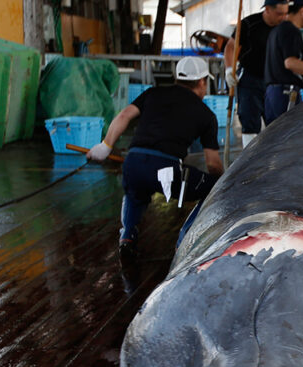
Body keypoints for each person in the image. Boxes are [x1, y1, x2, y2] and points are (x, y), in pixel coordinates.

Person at [87, 56, 224, 257]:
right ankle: (185, 240)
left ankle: (127, 236)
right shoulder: (206, 114)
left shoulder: (153, 93)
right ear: (202, 82)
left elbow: (124, 115)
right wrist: (223, 181)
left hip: (133, 162)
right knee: (213, 188)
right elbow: (213, 164)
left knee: (135, 194)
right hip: (166, 170)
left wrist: (105, 146)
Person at [224, 0, 288, 147]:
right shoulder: (248, 24)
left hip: (275, 80)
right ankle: (250, 161)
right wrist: (229, 70)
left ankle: (277, 161)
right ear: (267, 9)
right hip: (250, 79)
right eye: (279, 14)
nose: (283, 17)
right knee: (249, 122)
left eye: (286, 13)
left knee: (278, 123)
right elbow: (231, 47)